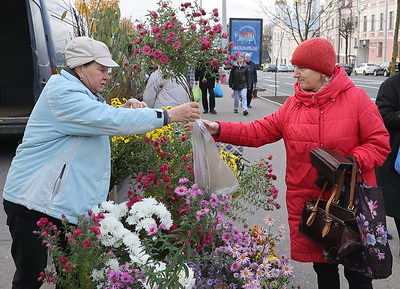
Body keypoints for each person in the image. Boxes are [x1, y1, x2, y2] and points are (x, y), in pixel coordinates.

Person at [2, 36, 200, 289]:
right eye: (101, 69)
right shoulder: (62, 93)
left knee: (73, 275)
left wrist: (128, 108)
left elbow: (103, 119)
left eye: (108, 70)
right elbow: (108, 120)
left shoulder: (84, 94)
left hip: (60, 205)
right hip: (33, 202)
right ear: (80, 68)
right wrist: (169, 115)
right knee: (31, 275)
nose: (107, 76)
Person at [197, 38, 390, 289]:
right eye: (295, 67)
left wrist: (349, 165)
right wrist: (219, 128)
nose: (295, 73)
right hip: (314, 205)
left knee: (358, 274)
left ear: (322, 70)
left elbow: (379, 143)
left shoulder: (357, 100)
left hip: (353, 203)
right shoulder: (292, 105)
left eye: (301, 67)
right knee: (324, 270)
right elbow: (259, 131)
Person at [375, 67, 400, 249]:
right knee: (390, 202)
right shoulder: (391, 85)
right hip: (396, 159)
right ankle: (379, 228)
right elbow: (382, 116)